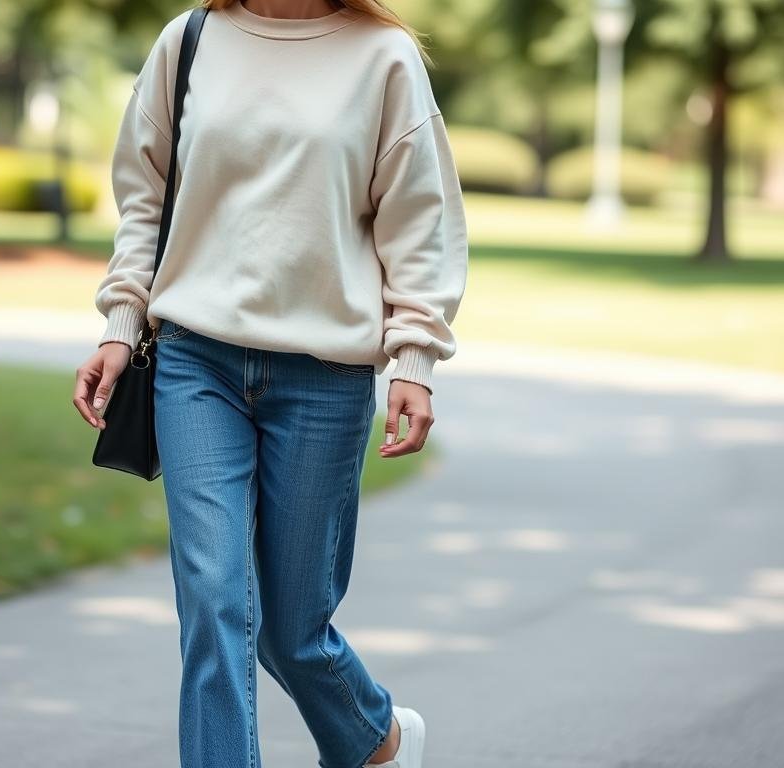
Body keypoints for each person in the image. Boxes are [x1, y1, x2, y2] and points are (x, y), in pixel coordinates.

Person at [72, 1, 467, 766]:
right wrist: (121, 323)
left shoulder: (382, 56)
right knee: (213, 601)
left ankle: (374, 740)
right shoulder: (191, 40)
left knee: (293, 631)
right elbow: (143, 198)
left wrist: (415, 358)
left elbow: (421, 221)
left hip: (324, 377)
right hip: (195, 363)